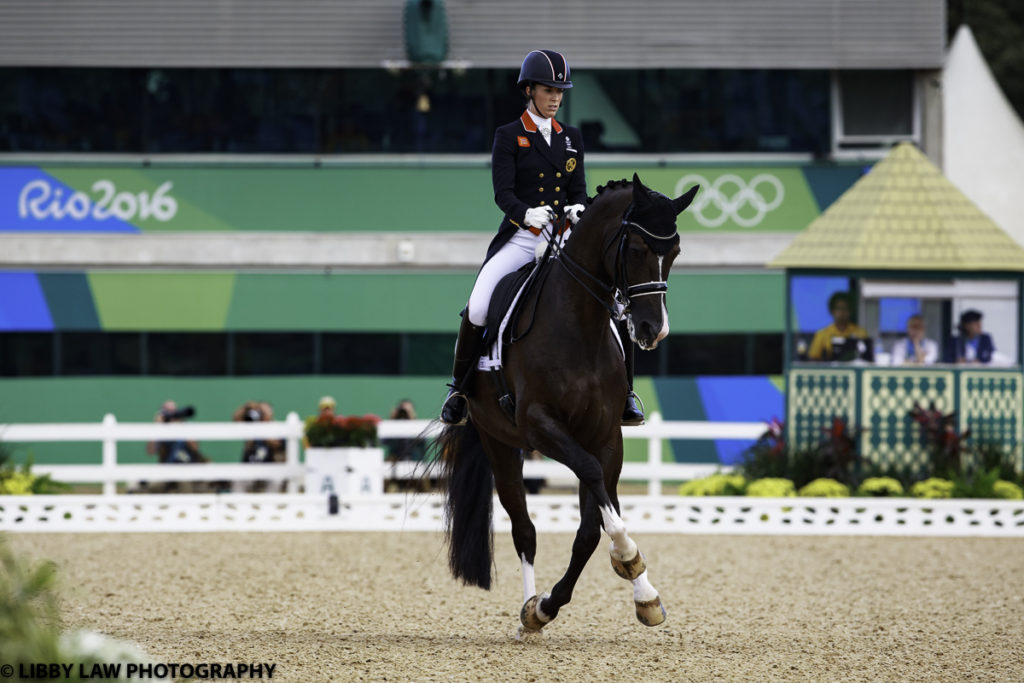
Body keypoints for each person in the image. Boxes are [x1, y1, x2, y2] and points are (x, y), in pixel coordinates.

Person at [440, 49, 645, 427]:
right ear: (530, 90)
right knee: (480, 305)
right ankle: (459, 390)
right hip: (521, 237)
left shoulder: (571, 139)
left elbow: (578, 191)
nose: (555, 98)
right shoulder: (509, 136)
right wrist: (524, 213)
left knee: (615, 306)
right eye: (549, 90)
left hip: (564, 239)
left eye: (560, 91)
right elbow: (502, 193)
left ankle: (627, 393)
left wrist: (578, 210)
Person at [807, 291, 869, 361]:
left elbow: (866, 358)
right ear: (832, 311)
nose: (842, 312)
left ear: (850, 311)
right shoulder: (821, 334)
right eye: (839, 308)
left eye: (845, 308)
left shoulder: (860, 333)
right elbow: (812, 359)